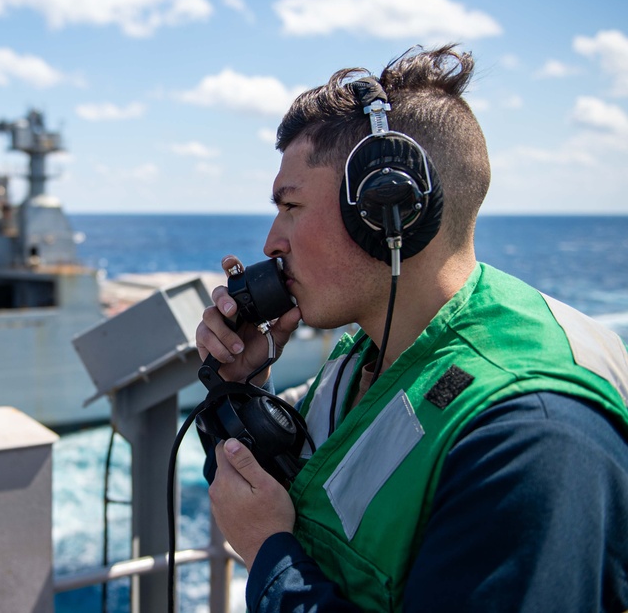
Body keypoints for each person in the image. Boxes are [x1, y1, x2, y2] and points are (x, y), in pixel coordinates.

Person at [195, 45, 628, 612]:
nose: (271, 243)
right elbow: (299, 487)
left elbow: (280, 532)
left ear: (385, 208)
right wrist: (240, 386)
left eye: (291, 206)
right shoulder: (366, 355)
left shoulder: (532, 439)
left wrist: (271, 555)